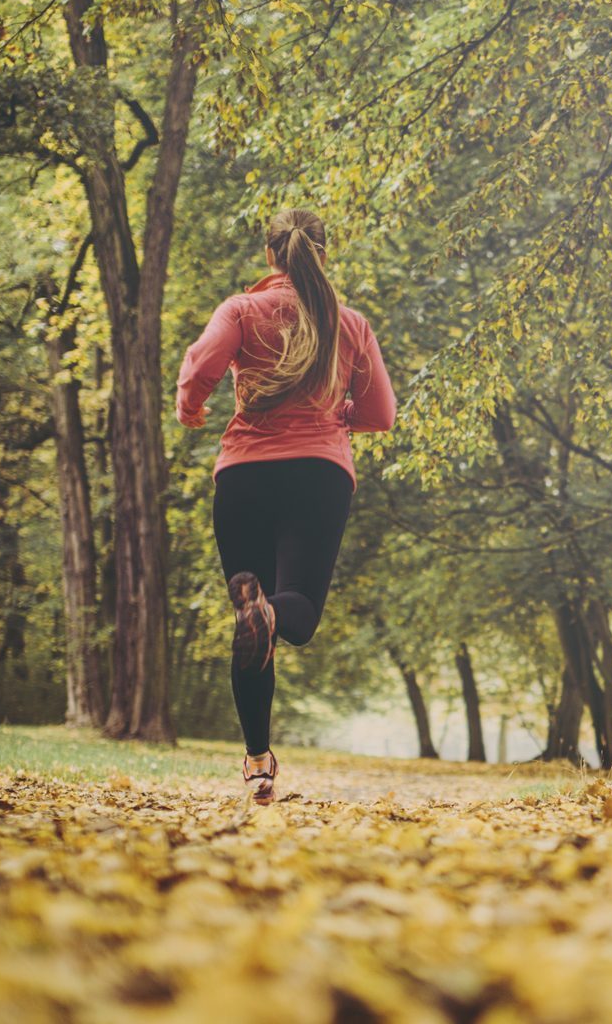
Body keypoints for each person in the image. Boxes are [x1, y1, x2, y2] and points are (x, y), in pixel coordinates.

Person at [175, 208, 396, 805]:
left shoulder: (241, 310)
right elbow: (379, 415)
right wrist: (336, 416)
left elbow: (201, 365)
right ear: (322, 254)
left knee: (251, 621)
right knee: (284, 615)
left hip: (243, 476)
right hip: (317, 476)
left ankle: (257, 761)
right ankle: (268, 617)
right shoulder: (349, 324)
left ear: (270, 255)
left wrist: (191, 405)